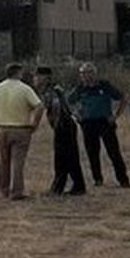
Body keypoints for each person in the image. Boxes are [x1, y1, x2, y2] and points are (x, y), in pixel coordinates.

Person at [0, 62, 44, 200]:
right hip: (20, 129)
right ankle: (17, 191)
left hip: (2, 128)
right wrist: (34, 123)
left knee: (3, 161)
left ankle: (4, 190)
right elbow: (39, 106)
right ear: (18, 73)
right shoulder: (25, 89)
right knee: (18, 161)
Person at [68, 62, 130, 188]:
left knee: (113, 152)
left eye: (89, 72)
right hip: (88, 123)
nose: (86, 76)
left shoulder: (104, 86)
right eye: (83, 73)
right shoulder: (80, 89)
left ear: (95, 74)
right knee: (92, 153)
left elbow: (123, 97)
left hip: (105, 122)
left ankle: (123, 180)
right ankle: (97, 179)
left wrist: (116, 115)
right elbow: (69, 102)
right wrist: (76, 115)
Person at [34, 66, 86, 196]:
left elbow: (55, 108)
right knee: (71, 157)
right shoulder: (55, 89)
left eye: (37, 76)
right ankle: (78, 186)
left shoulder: (51, 91)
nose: (35, 79)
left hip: (63, 126)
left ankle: (57, 188)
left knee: (61, 158)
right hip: (67, 125)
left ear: (45, 77)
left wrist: (56, 125)